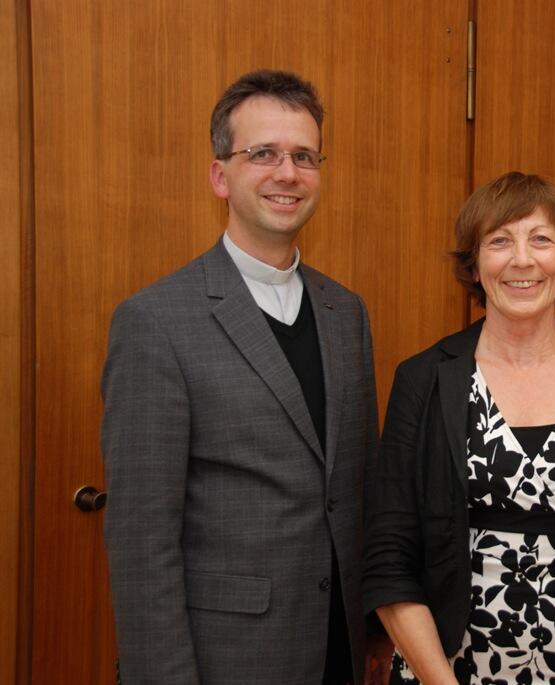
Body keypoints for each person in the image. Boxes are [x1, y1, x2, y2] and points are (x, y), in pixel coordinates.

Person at [102, 70, 380, 684]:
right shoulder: (155, 321)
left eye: (303, 156)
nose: (288, 173)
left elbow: (359, 489)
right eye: (263, 154)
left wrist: (376, 634)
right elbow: (141, 541)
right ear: (220, 176)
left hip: (340, 650)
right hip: (226, 659)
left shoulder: (345, 312)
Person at [362, 172, 555, 684]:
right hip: (444, 671)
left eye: (541, 239)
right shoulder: (422, 381)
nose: (522, 259)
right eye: (499, 241)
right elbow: (389, 555)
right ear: (474, 264)